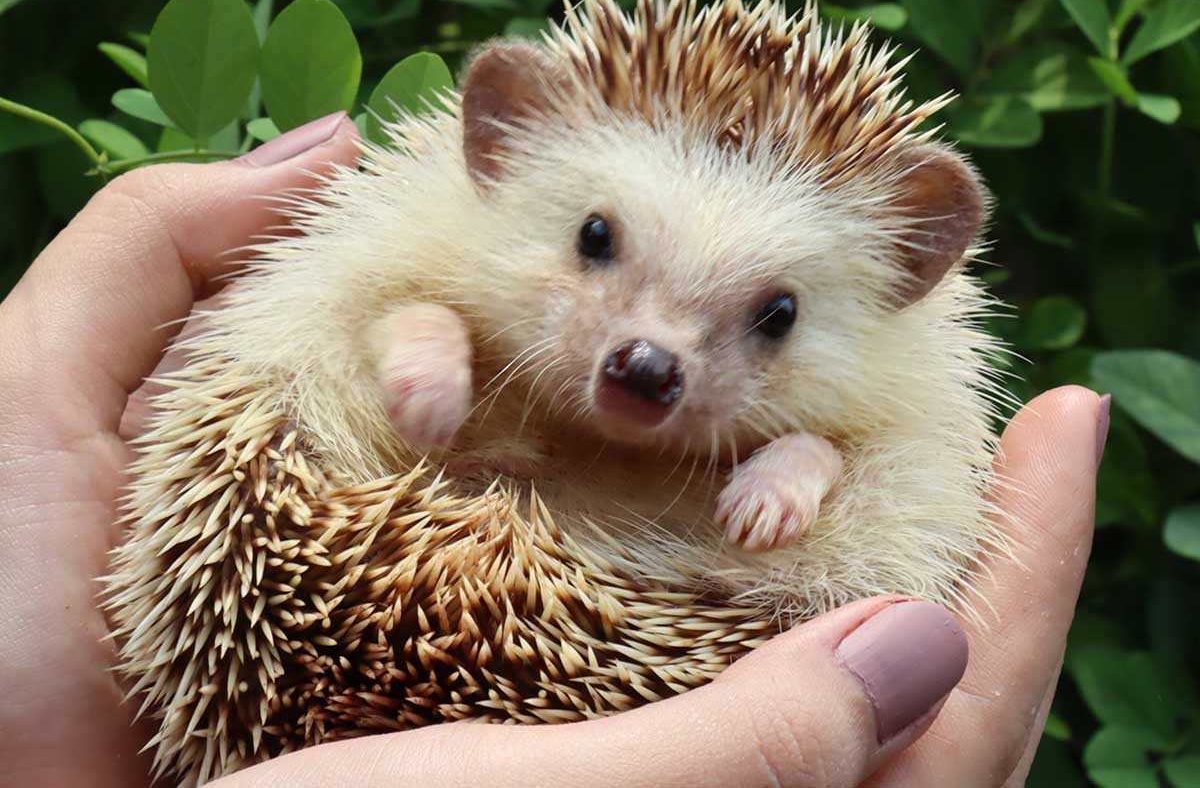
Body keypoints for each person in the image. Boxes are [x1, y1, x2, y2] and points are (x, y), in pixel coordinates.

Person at [0, 114, 1108, 788]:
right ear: (499, 140)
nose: (652, 352)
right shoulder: (437, 262)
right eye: (598, 246)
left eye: (769, 317)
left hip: (664, 575)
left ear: (909, 276)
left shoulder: (870, 407)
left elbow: (859, 465)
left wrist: (803, 460)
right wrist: (423, 341)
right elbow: (392, 310)